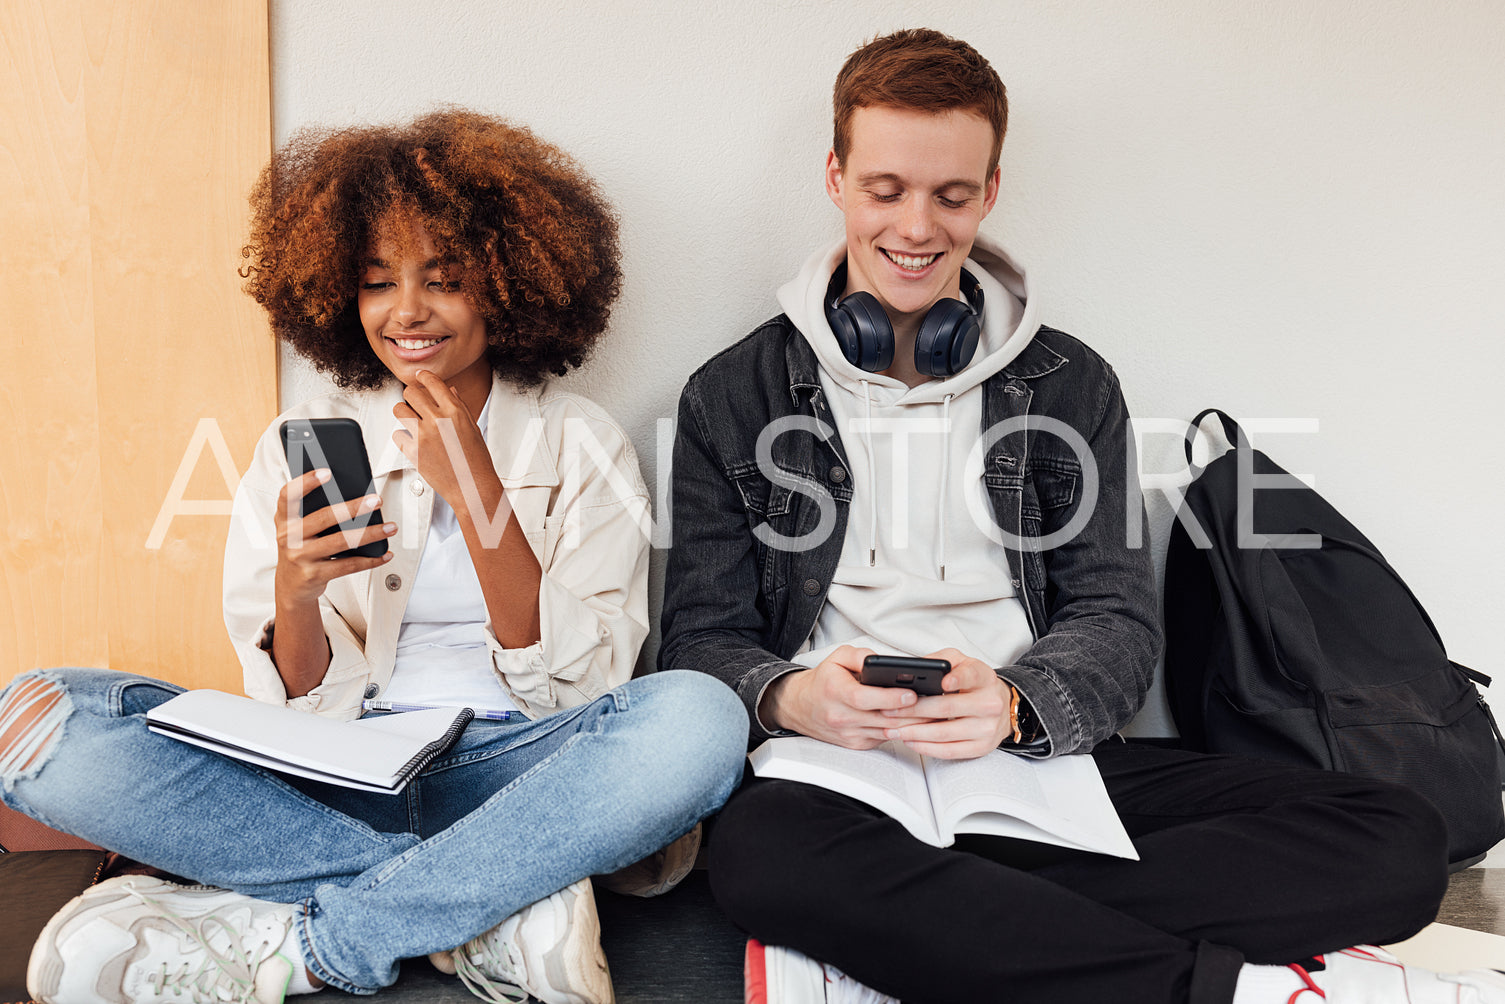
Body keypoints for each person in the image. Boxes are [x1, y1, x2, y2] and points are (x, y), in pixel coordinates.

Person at [659, 28, 1500, 1004]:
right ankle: (1211, 988)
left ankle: (956, 923)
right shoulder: (733, 394)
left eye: (951, 193)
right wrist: (797, 698)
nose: (916, 226)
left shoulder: (1068, 382)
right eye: (885, 189)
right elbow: (699, 635)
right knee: (762, 859)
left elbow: (1114, 615)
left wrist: (1016, 702)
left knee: (1394, 840)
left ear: (991, 191)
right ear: (835, 177)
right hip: (837, 783)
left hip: (1039, 768)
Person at [1, 109, 747, 1004]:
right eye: (376, 280)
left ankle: (305, 938)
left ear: (509, 286)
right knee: (37, 723)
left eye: (445, 279)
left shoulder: (577, 441)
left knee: (698, 718)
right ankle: (484, 909)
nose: (406, 312)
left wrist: (476, 488)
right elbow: (293, 703)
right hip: (332, 778)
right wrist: (298, 591)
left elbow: (577, 692)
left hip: (522, 778)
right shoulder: (299, 446)